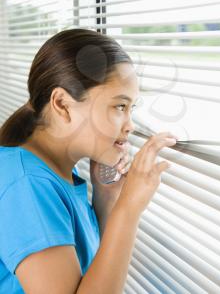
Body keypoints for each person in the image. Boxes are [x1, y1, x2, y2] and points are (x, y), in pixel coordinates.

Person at [0, 28, 177, 294]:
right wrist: (128, 208)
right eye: (119, 106)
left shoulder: (57, 173)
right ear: (62, 104)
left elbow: (91, 277)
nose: (130, 125)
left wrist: (107, 199)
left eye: (132, 108)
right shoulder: (28, 184)